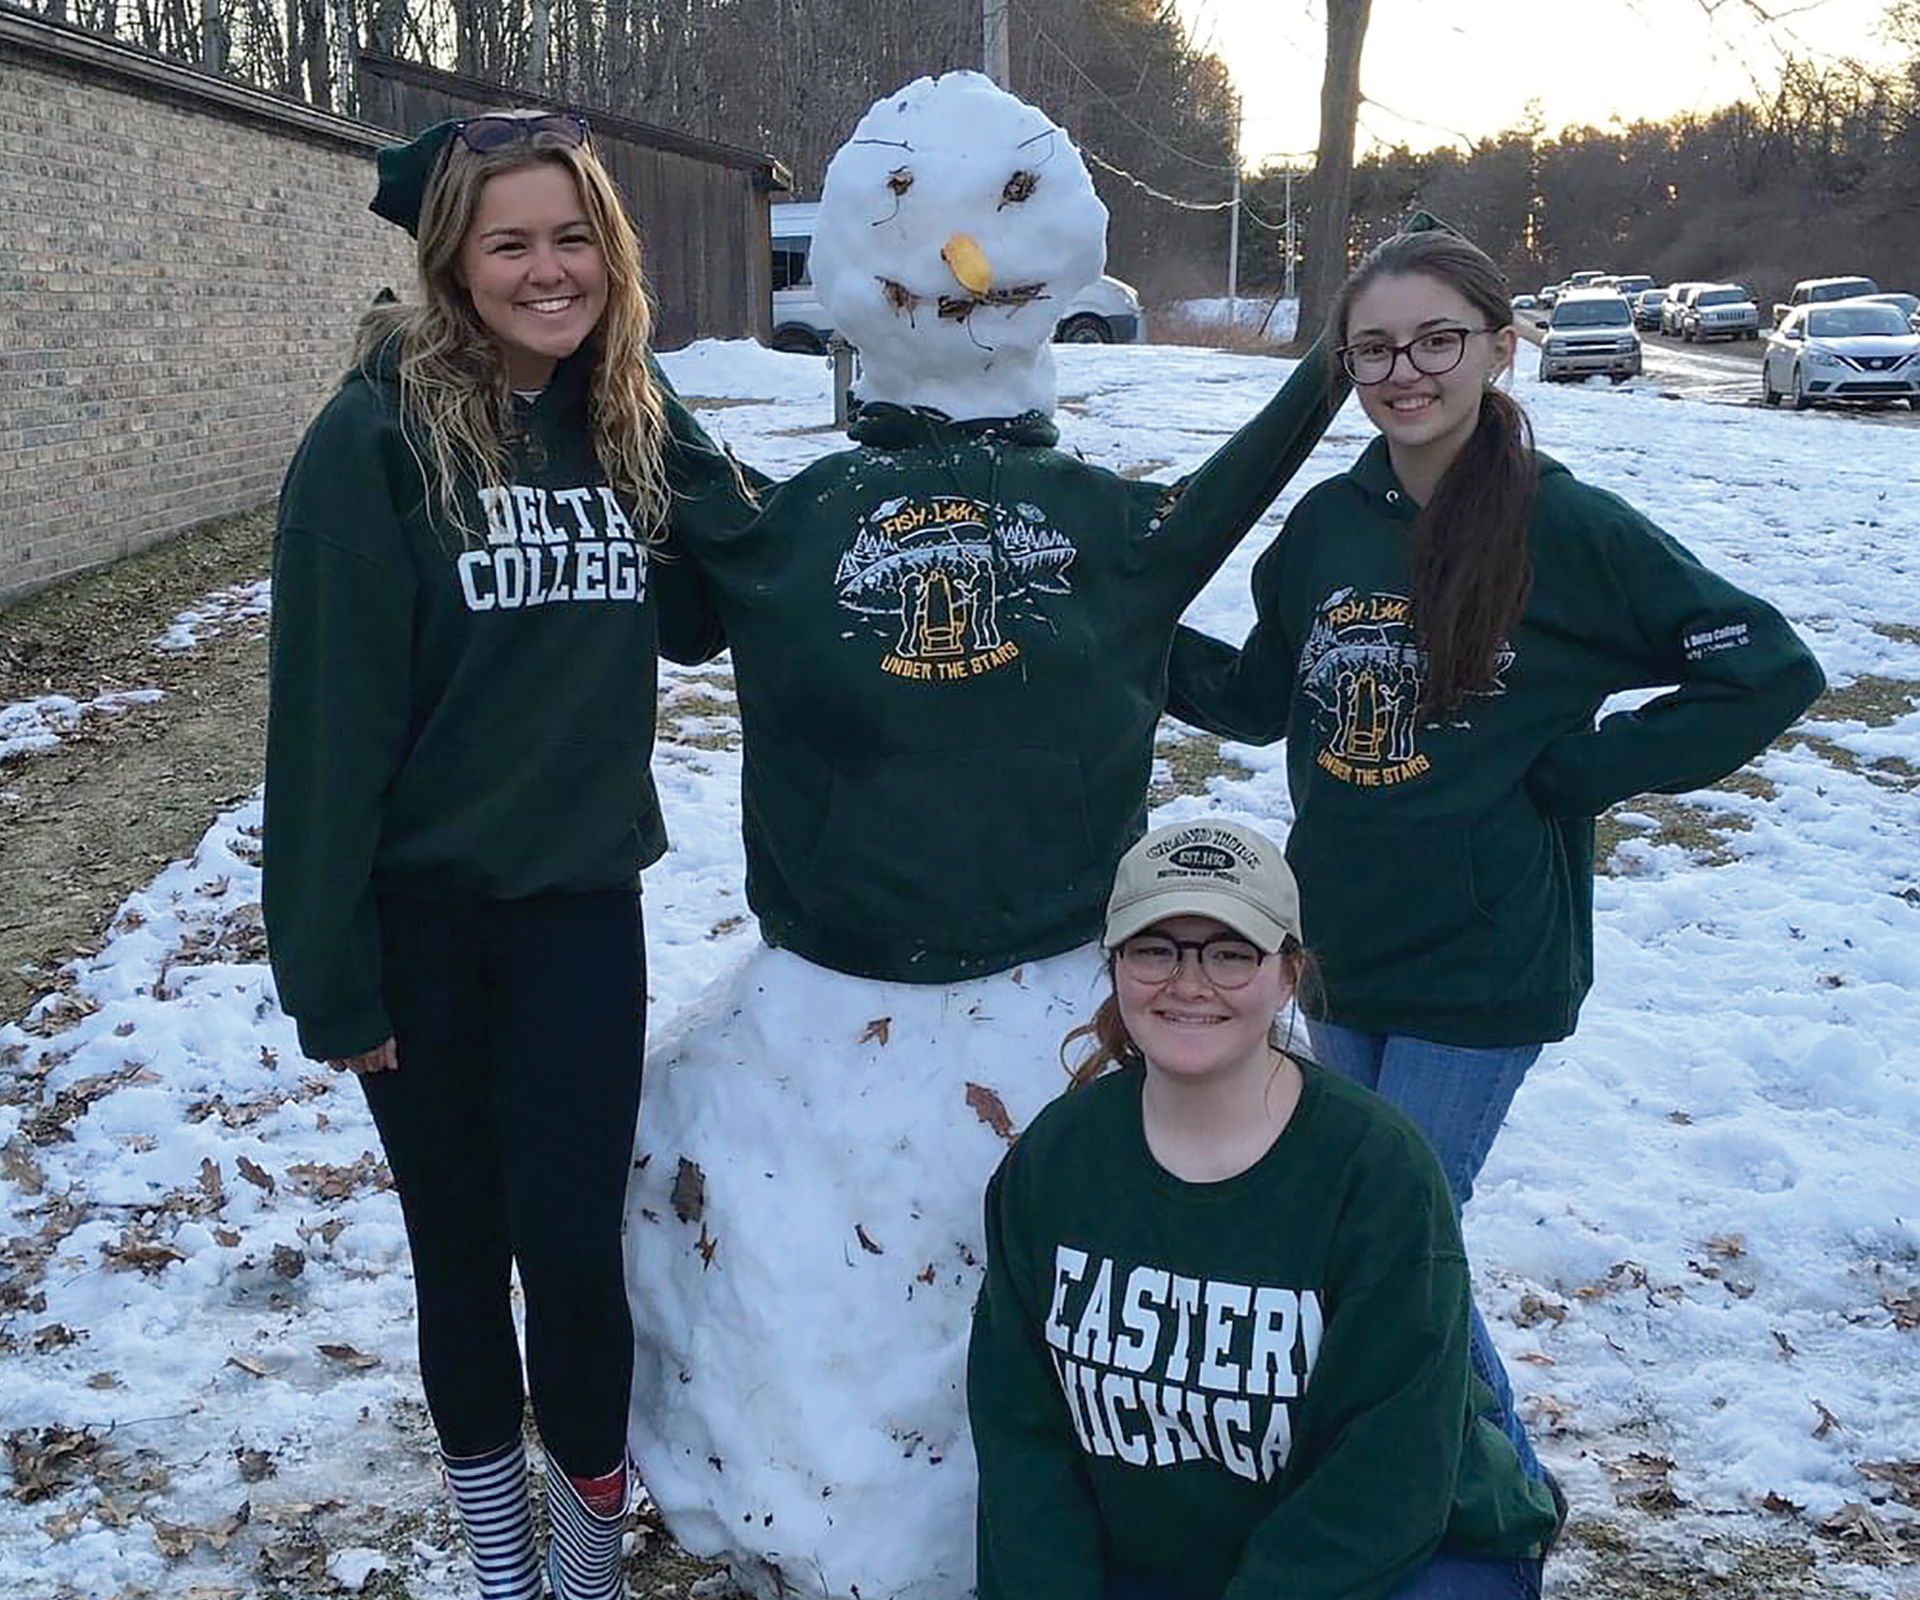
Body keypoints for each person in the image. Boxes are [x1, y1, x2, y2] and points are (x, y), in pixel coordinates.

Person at [1165, 228, 1826, 1484]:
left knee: (1392, 1233)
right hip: (1339, 950)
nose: (1404, 371)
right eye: (1373, 349)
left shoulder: (1564, 528)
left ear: (1497, 347)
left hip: (1484, 957)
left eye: (1435, 341)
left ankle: (1497, 1493)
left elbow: (1767, 664)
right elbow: (1260, 695)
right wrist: (1124, 638)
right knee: (1357, 1221)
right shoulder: (1326, 525)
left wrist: (1585, 771)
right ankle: (1406, 1474)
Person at [262, 110, 727, 1600]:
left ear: (613, 249)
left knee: (576, 1260)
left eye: (574, 236)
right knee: (459, 1259)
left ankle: (583, 1569)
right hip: (427, 930)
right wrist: (332, 979)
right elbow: (324, 730)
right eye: (511, 241)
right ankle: (502, 1569)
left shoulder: (626, 414)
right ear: (453, 259)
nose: (549, 270)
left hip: (582, 917)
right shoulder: (375, 438)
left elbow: (727, 588)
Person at [967, 818, 1561, 1600]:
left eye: (1230, 951)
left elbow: (1390, 1469)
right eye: (1155, 949)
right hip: (1165, 1564)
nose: (1188, 983)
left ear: (1289, 973)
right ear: (1114, 966)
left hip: (1396, 1560)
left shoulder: (1376, 1174)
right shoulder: (1059, 1162)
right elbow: (1023, 1434)